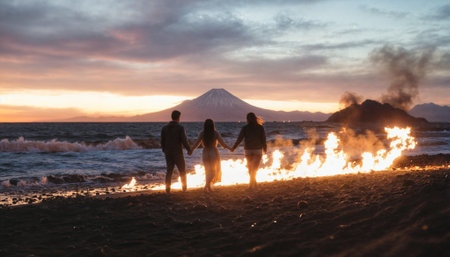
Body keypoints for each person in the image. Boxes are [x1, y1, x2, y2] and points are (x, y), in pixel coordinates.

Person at [190, 119, 232, 192]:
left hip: (205, 152)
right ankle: (206, 186)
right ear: (213, 125)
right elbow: (222, 144)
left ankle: (208, 187)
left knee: (207, 170)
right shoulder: (215, 133)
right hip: (213, 152)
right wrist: (230, 148)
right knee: (214, 171)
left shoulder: (202, 133)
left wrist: (191, 150)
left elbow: (197, 143)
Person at [231, 112, 267, 190]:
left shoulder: (245, 128)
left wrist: (234, 147)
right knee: (254, 168)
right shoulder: (260, 127)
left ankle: (252, 185)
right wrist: (265, 149)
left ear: (247, 119)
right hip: (257, 150)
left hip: (248, 150)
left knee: (250, 168)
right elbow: (263, 139)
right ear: (255, 118)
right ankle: (253, 184)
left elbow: (239, 139)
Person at [161, 110, 191, 193]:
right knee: (182, 171)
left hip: (168, 152)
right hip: (178, 152)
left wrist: (164, 150)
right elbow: (184, 140)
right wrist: (189, 149)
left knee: (169, 171)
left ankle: (167, 189)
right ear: (178, 118)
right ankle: (184, 188)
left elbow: (162, 141)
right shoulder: (180, 128)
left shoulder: (164, 128)